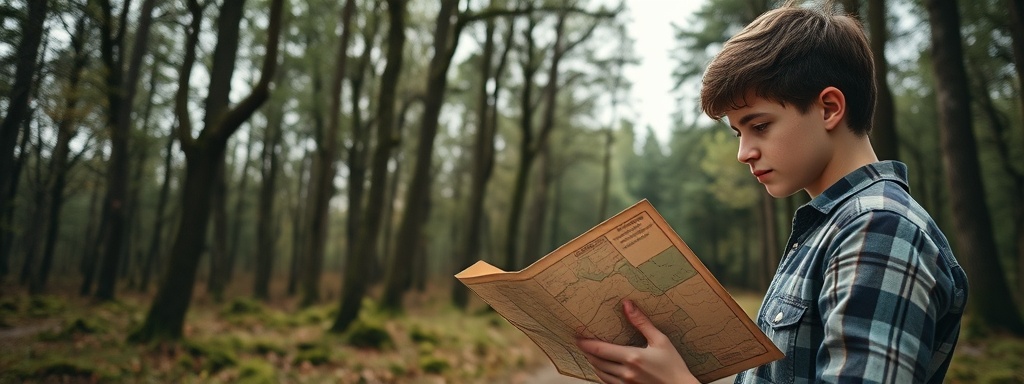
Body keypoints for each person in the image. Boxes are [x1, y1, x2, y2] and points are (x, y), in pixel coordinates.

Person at [576, 3, 969, 384]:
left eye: (759, 126)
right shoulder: (831, 228)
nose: (743, 153)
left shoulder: (880, 230)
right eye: (738, 133)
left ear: (829, 108)